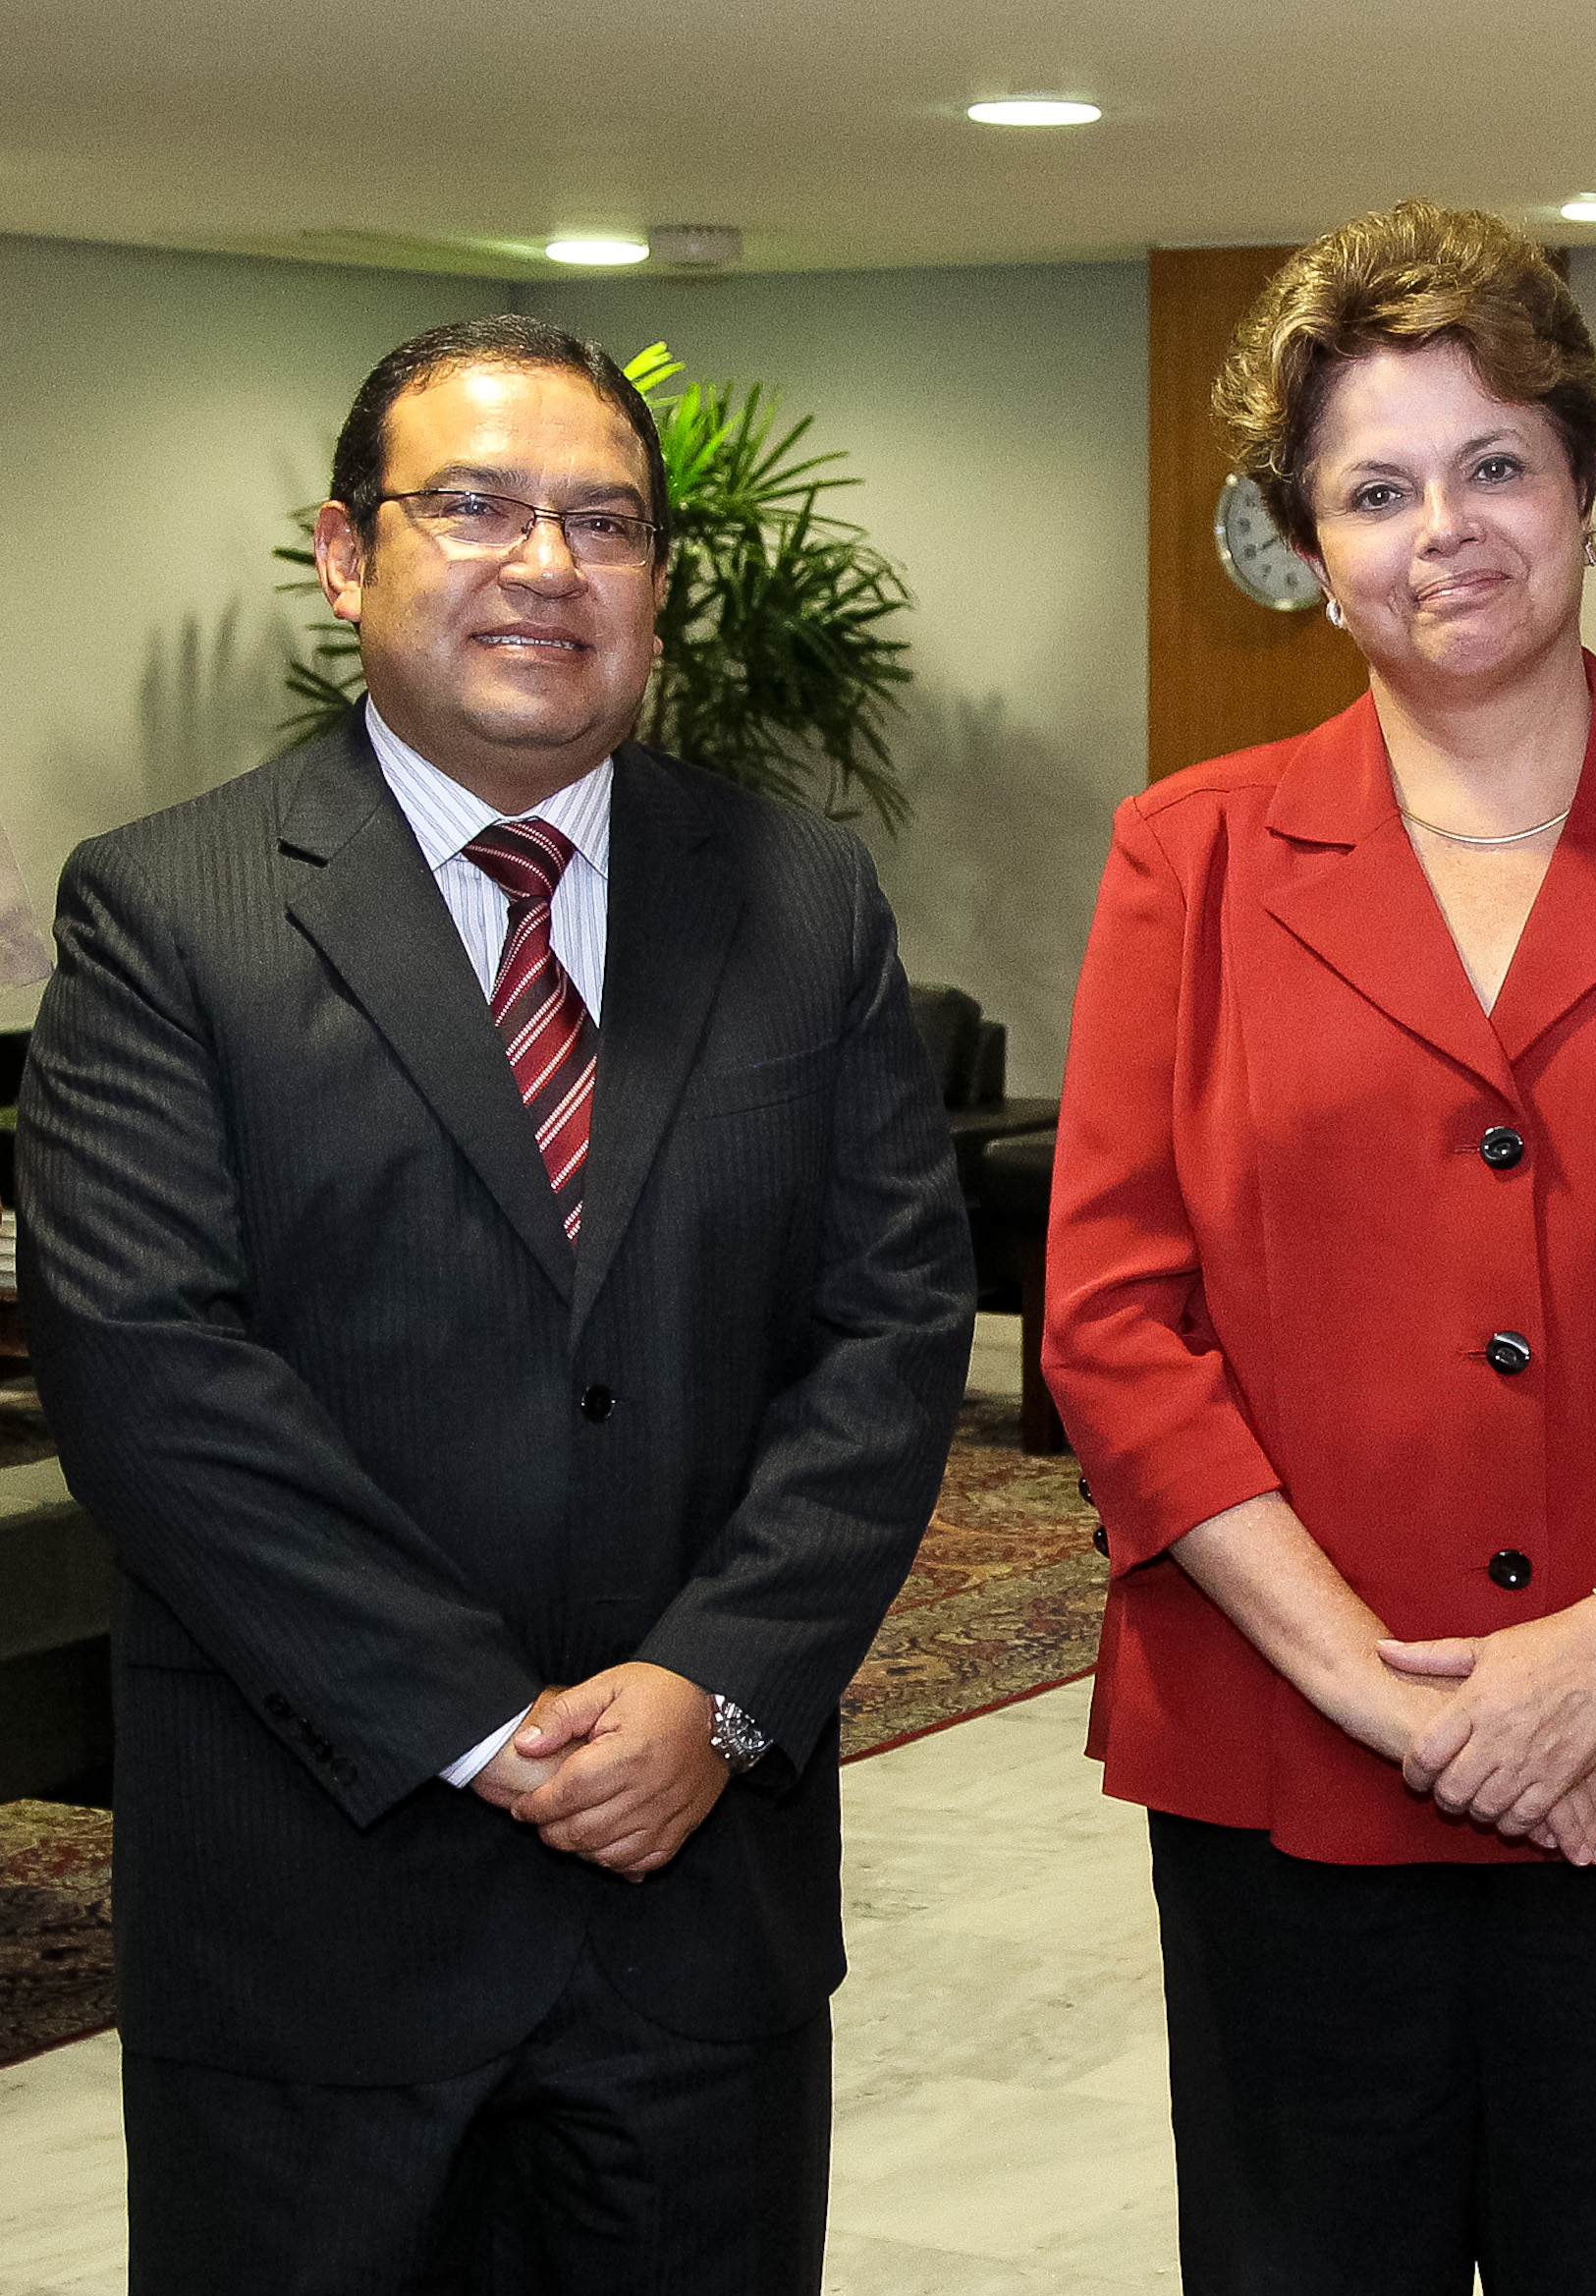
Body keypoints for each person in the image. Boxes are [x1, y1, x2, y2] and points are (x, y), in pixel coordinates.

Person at [21, 313, 976, 2292]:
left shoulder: (808, 897)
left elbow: (890, 1338)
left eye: (604, 523)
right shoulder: (164, 907)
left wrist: (709, 1687)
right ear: (348, 554)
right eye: (475, 506)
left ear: (656, 587)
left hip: (697, 1909)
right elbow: (151, 1371)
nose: (547, 564)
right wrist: (481, 1722)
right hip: (319, 1913)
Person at [1042, 200, 1596, 2294]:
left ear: (1586, 490)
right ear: (1306, 543)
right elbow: (1107, 1315)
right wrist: (1373, 1681)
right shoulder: (1191, 851)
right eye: (1375, 487)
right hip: (1292, 1746)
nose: (1444, 527)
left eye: (1495, 463)